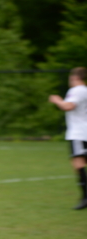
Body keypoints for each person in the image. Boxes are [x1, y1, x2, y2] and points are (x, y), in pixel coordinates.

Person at [49, 67, 87, 210]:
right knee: (80, 162)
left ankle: (85, 197)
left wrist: (57, 100)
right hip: (83, 132)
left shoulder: (76, 90)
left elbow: (68, 106)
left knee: (78, 164)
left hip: (79, 133)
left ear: (75, 77)